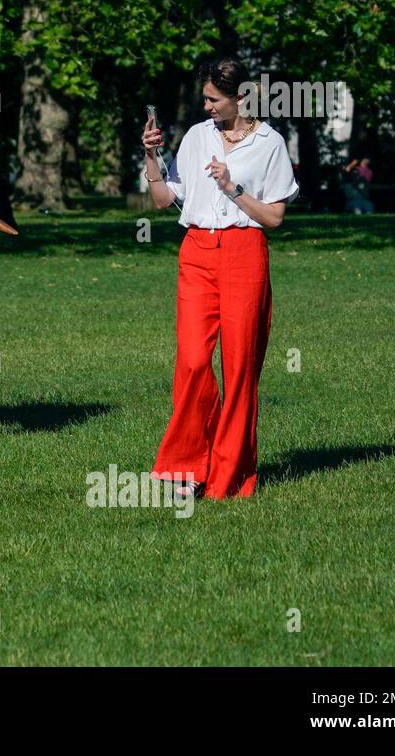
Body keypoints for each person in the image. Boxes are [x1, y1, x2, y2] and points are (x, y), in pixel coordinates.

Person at [141, 58, 300, 499]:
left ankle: (229, 477)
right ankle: (184, 468)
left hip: (244, 257)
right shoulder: (195, 137)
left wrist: (233, 189)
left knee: (240, 368)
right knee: (192, 362)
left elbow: (274, 218)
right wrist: (151, 156)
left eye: (214, 98)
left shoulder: (270, 144)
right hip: (196, 254)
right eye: (205, 98)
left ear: (242, 97)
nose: (206, 106)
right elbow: (160, 200)